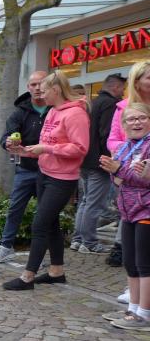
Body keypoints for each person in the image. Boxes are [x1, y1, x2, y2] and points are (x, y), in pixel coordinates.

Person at [3, 71, 89, 290]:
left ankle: (28, 276)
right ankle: (56, 272)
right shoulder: (52, 111)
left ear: (56, 90)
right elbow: (46, 145)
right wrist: (26, 151)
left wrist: (46, 149)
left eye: (44, 90)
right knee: (50, 224)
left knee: (40, 224)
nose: (40, 94)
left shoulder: (75, 114)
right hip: (45, 173)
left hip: (62, 179)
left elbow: (80, 148)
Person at [0, 71, 49, 264]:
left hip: (51, 170)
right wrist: (7, 142)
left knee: (47, 212)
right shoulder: (20, 112)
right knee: (15, 208)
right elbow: (6, 136)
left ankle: (44, 252)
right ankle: (6, 246)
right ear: (28, 87)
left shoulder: (56, 109)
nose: (37, 88)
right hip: (26, 168)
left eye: (41, 83)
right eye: (33, 84)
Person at [99, 104, 150, 330]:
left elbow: (145, 179)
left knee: (145, 264)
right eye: (131, 119)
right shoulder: (123, 147)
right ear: (123, 124)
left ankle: (145, 314)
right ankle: (133, 309)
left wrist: (120, 170)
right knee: (130, 262)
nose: (137, 122)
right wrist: (121, 172)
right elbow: (118, 180)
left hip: (146, 209)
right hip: (128, 210)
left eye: (142, 118)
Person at [71, 73, 126, 254]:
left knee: (86, 201)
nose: (123, 92)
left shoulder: (93, 103)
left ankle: (78, 240)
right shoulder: (110, 104)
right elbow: (106, 134)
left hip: (86, 160)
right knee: (93, 203)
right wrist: (111, 159)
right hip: (99, 162)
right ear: (115, 87)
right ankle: (89, 242)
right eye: (123, 88)